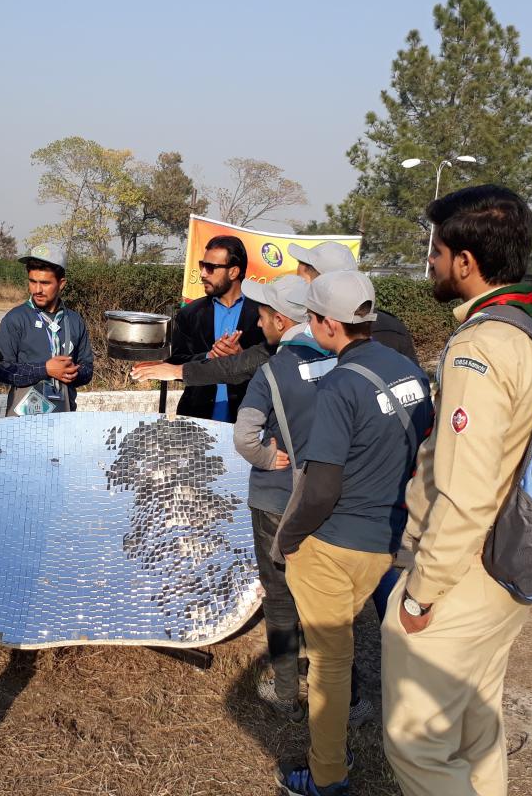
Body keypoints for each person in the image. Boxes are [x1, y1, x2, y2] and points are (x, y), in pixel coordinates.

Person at [381, 185, 532, 796]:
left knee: (417, 743)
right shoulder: (530, 327)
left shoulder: (481, 345)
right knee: (476, 731)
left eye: (436, 249)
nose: (430, 261)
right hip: (504, 565)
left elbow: (466, 493)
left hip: (461, 572)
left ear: (465, 262)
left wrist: (421, 595)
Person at [274, 270, 433, 796]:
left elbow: (320, 487)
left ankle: (326, 777)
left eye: (311, 318)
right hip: (388, 537)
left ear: (325, 324)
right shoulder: (408, 369)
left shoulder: (341, 385)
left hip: (336, 542)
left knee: (330, 665)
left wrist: (289, 539)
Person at [231, 274, 330, 722]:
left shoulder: (271, 373)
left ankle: (286, 689)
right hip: (326, 499)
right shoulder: (338, 363)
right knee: (322, 596)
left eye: (262, 313)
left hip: (275, 500)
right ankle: (337, 690)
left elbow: (246, 437)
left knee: (279, 594)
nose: (257, 319)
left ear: (279, 319)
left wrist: (270, 458)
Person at [134, 240, 415, 386]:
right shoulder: (301, 340)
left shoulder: (385, 335)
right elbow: (244, 363)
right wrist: (178, 370)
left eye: (302, 280)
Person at [166, 235, 265, 421]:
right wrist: (207, 357)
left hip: (249, 421)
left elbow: (274, 365)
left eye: (210, 268)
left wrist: (241, 358)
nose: (203, 274)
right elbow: (175, 362)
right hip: (197, 417)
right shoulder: (190, 313)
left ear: (234, 272)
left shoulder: (263, 315)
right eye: (202, 265)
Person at [0, 244, 94, 416]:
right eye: (33, 281)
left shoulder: (74, 321)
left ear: (61, 284)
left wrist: (72, 372)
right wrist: (45, 369)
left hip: (64, 419)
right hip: (23, 421)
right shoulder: (16, 319)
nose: (37, 290)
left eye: (45, 283)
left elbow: (88, 368)